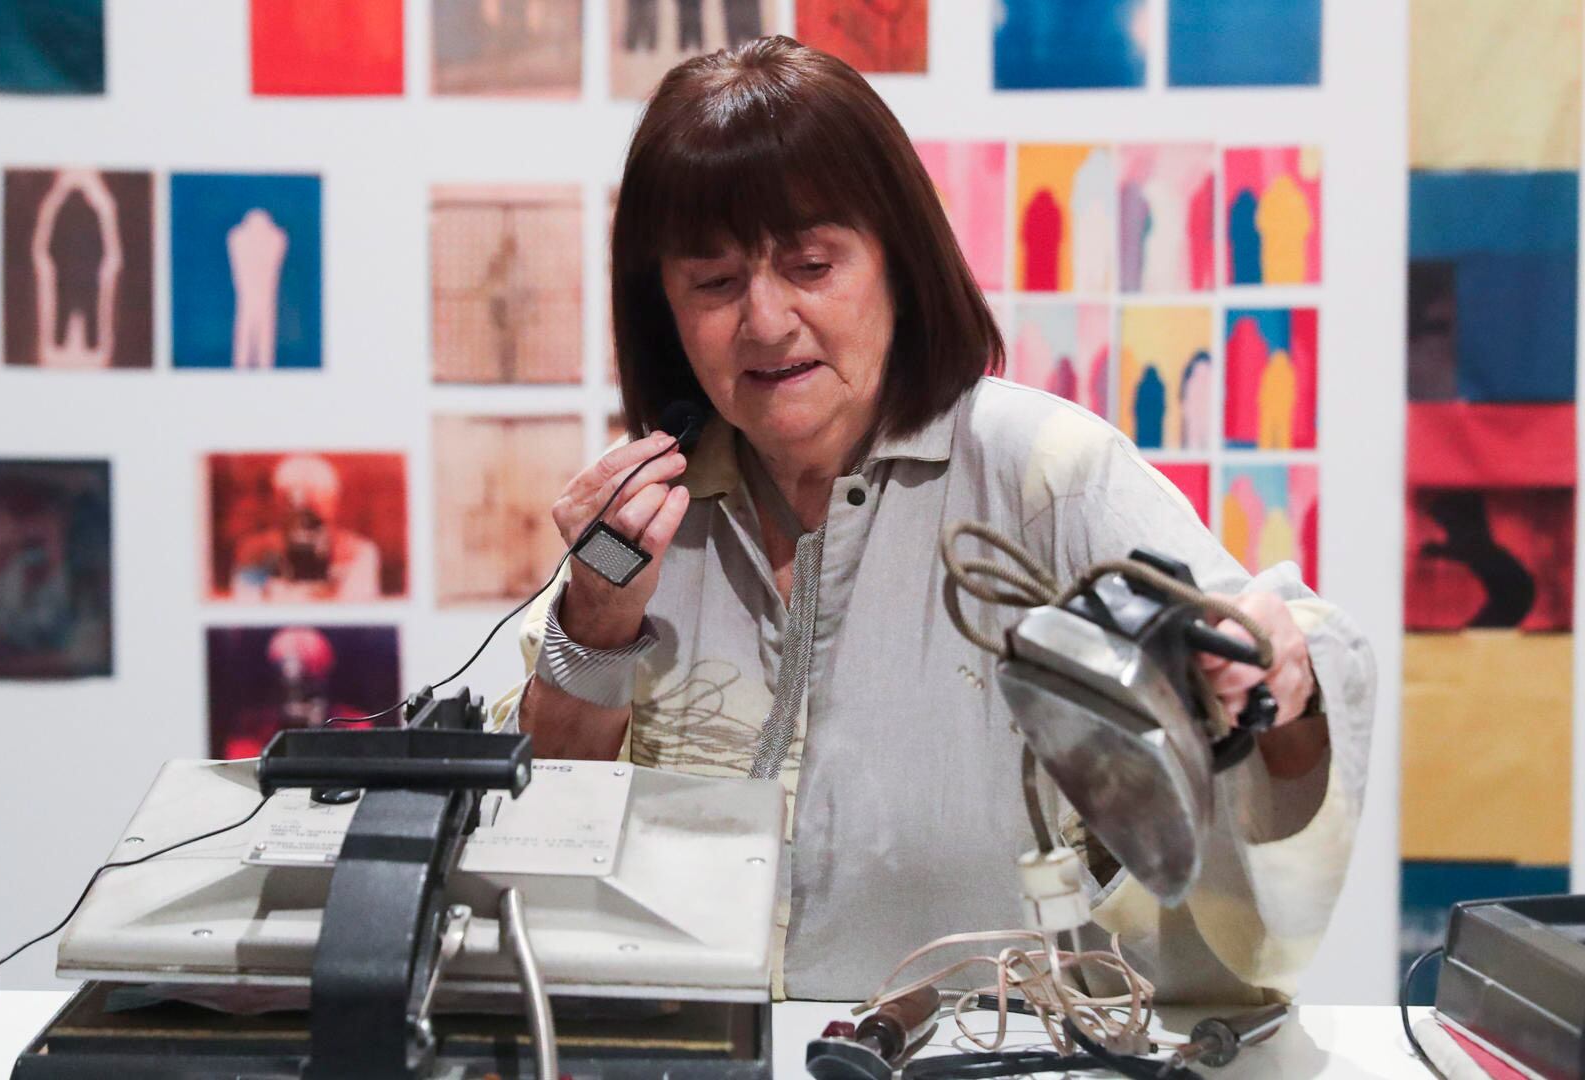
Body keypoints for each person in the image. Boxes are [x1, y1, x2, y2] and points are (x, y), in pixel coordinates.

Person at [493, 37, 1373, 1005]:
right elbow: (537, 849)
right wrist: (596, 624)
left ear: (899, 266)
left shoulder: (1045, 474)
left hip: (988, 1055)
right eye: (713, 282)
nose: (767, 319)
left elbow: (1272, 672)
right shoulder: (643, 515)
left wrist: (1278, 673)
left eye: (812, 264)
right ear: (661, 307)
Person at [231, 455, 382, 602]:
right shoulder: (255, 552)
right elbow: (246, 605)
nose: (305, 522)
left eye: (315, 509)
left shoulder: (359, 551)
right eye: (295, 510)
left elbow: (356, 614)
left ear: (333, 504)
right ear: (278, 506)